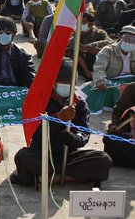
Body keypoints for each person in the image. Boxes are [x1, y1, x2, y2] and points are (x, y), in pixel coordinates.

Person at [11, 58, 113, 187]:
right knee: (23, 157)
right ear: (53, 83)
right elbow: (35, 131)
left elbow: (84, 132)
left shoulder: (80, 103)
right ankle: (73, 176)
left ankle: (55, 178)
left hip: (69, 155)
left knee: (103, 160)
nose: (64, 86)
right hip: (42, 153)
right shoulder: (41, 99)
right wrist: (58, 119)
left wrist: (75, 138)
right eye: (61, 83)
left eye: (68, 83)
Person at [0, 18, 35, 88]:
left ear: (14, 35)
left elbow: (31, 76)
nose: (3, 35)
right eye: (0, 33)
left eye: (8, 33)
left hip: (16, 89)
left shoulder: (23, 55)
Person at [65, 12, 112, 83]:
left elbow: (110, 42)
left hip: (96, 61)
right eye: (79, 22)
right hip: (82, 63)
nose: (80, 24)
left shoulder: (100, 33)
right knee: (74, 51)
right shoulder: (76, 33)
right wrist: (86, 48)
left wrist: (95, 45)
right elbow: (72, 43)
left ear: (91, 24)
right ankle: (86, 73)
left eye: (84, 22)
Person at [92, 25, 135, 90]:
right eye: (126, 39)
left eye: (133, 41)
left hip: (130, 81)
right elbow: (99, 68)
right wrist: (100, 81)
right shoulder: (107, 50)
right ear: (120, 38)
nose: (129, 42)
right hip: (111, 81)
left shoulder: (133, 52)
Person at [104, 82, 135, 168]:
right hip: (132, 135)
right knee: (110, 139)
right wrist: (116, 126)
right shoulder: (132, 88)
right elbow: (118, 112)